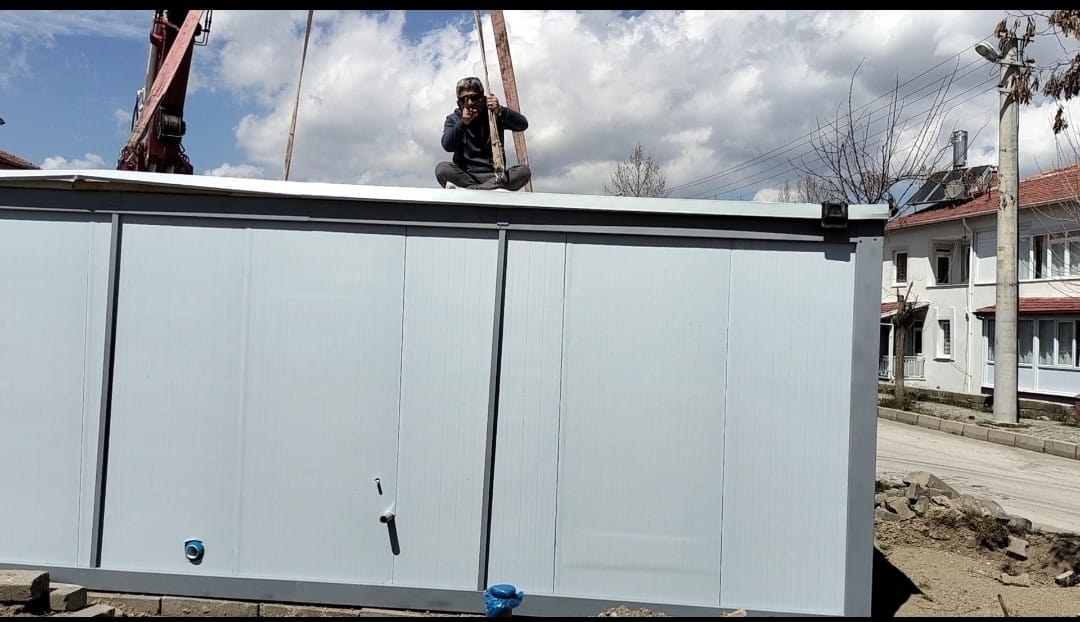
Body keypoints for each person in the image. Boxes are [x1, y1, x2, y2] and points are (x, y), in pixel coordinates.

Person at [435, 76, 531, 191]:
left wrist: (501, 111)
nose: (470, 103)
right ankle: (486, 190)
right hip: (466, 176)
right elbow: (447, 145)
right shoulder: (454, 119)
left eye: (474, 98)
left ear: (483, 98)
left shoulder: (493, 114)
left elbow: (522, 125)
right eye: (464, 99)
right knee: (442, 169)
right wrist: (463, 123)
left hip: (495, 176)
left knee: (524, 172)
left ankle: (475, 190)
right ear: (459, 103)